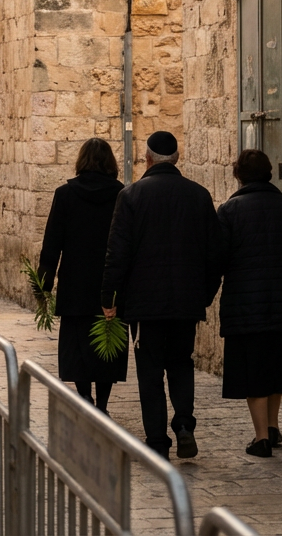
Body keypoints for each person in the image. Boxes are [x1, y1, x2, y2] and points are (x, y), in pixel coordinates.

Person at [100, 131, 223, 460]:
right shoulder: (199, 196)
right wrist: (204, 294)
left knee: (150, 370)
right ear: (177, 159)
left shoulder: (131, 196)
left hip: (145, 305)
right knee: (181, 363)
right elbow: (215, 253)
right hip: (186, 301)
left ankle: (156, 440)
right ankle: (183, 423)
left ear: (147, 159)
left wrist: (110, 298)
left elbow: (117, 253)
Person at [216, 149, 282, 457]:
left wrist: (205, 294)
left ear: (238, 175)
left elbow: (217, 259)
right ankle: (273, 427)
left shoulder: (229, 211)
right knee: (276, 366)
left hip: (245, 304)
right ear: (269, 173)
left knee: (253, 371)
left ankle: (261, 437)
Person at [37, 138, 127, 414]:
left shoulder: (65, 194)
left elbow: (52, 243)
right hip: (110, 282)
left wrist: (43, 285)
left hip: (75, 282)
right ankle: (103, 404)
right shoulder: (122, 194)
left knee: (78, 344)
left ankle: (85, 396)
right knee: (107, 342)